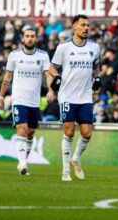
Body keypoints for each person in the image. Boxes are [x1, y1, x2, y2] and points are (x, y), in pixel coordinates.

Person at [46, 14, 101, 181]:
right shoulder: (64, 47)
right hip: (67, 95)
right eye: (83, 25)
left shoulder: (94, 47)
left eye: (87, 25)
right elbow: (52, 68)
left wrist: (96, 84)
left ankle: (75, 159)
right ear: (74, 27)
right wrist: (52, 85)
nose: (86, 28)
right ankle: (65, 171)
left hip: (85, 96)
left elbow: (96, 69)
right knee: (69, 131)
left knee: (87, 133)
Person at [0, 28, 50, 175]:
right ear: (23, 38)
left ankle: (22, 162)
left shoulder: (43, 56)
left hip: (34, 101)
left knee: (31, 133)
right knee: (22, 128)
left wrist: (52, 90)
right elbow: (7, 77)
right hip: (19, 99)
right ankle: (23, 162)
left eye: (32, 36)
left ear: (36, 39)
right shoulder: (14, 55)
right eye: (27, 36)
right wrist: (1, 97)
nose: (30, 39)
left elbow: (48, 76)